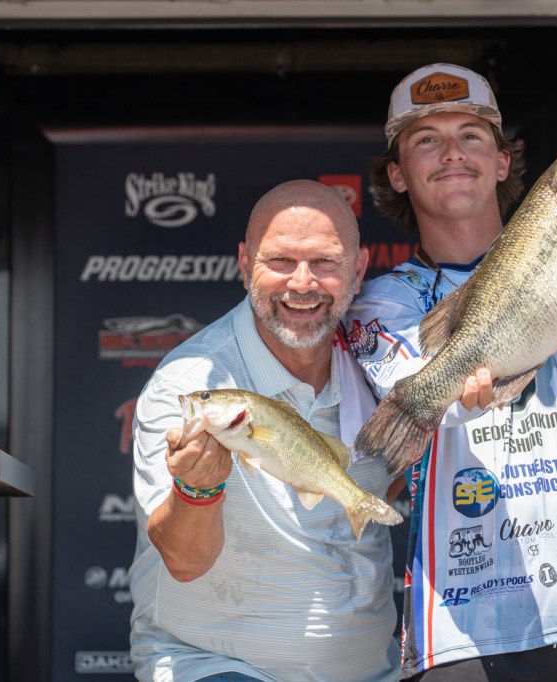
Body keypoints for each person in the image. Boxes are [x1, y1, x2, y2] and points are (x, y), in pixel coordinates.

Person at [345, 63, 557, 680]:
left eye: (471, 135)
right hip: (460, 626)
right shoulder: (383, 302)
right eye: (426, 139)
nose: (452, 153)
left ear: (503, 161)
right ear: (397, 173)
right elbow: (413, 393)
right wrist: (459, 392)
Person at [128, 179, 400, 682]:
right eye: (280, 261)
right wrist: (197, 489)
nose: (303, 283)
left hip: (370, 671)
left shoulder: (383, 363)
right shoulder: (189, 384)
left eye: (325, 262)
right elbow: (184, 562)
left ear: (359, 270)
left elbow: (392, 477)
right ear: (243, 264)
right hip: (218, 666)